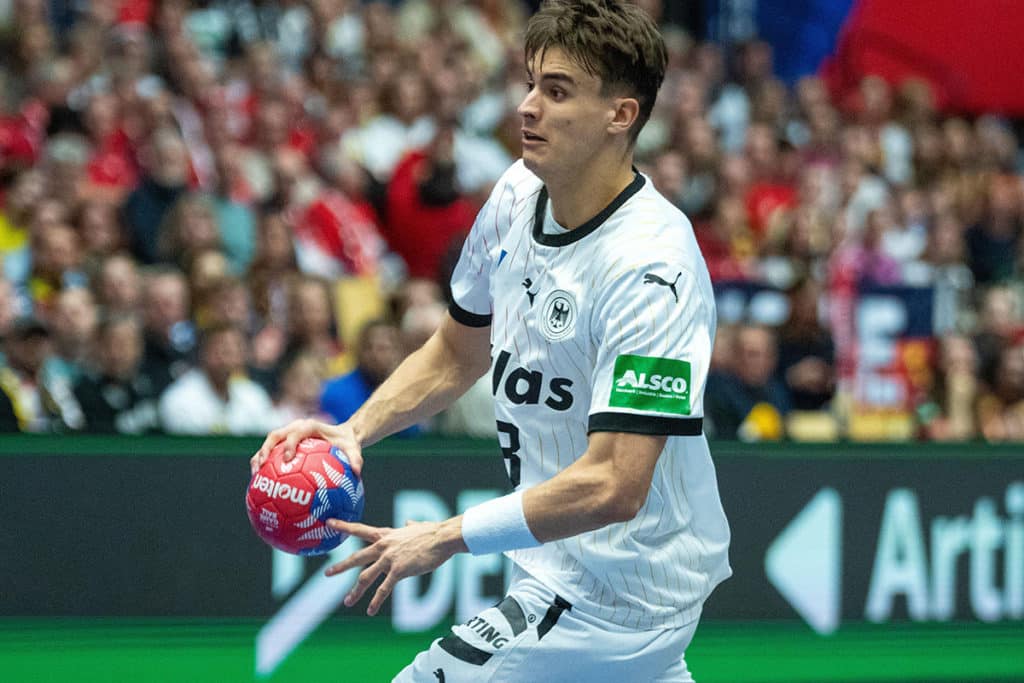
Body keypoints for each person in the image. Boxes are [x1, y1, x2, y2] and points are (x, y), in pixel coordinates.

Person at [252, 2, 730, 681]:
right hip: (567, 569)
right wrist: (353, 431)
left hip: (616, 595)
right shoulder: (514, 195)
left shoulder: (652, 268)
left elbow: (616, 482)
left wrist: (446, 536)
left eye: (557, 91)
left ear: (620, 115)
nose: (527, 107)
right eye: (532, 84)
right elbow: (458, 351)